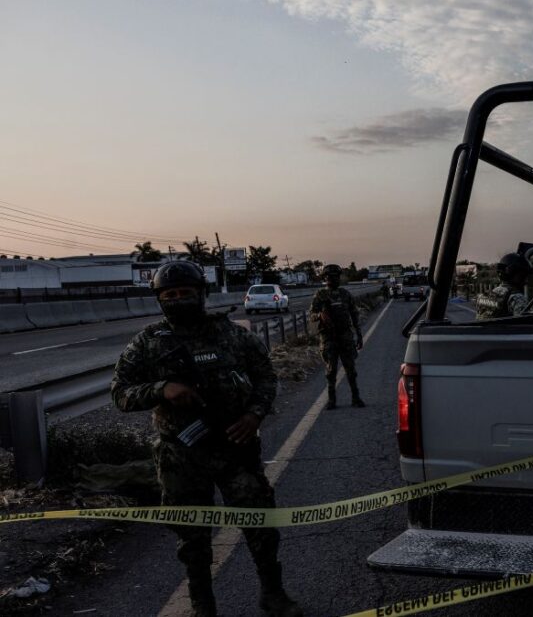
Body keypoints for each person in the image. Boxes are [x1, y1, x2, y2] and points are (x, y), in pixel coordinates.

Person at [111, 261, 302, 617]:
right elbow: (120, 393)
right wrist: (161, 389)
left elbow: (265, 375)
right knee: (192, 537)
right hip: (181, 455)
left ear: (201, 294)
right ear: (159, 299)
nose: (178, 300)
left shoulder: (230, 334)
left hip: (235, 447)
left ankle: (273, 594)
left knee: (261, 525)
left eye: (186, 293)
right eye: (170, 295)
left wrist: (254, 414)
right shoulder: (148, 343)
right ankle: (203, 604)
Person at [311, 264, 364, 409]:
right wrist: (320, 315)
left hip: (345, 336)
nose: (333, 279)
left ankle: (356, 397)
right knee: (331, 371)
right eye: (330, 276)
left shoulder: (345, 294)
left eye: (335, 276)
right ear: (325, 278)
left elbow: (354, 314)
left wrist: (359, 335)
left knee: (351, 370)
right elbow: (311, 316)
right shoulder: (320, 295)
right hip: (328, 337)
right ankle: (331, 400)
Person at [476, 252, 531, 319]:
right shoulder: (517, 298)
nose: (526, 281)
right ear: (511, 274)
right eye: (522, 276)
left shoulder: (483, 296)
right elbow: (525, 326)